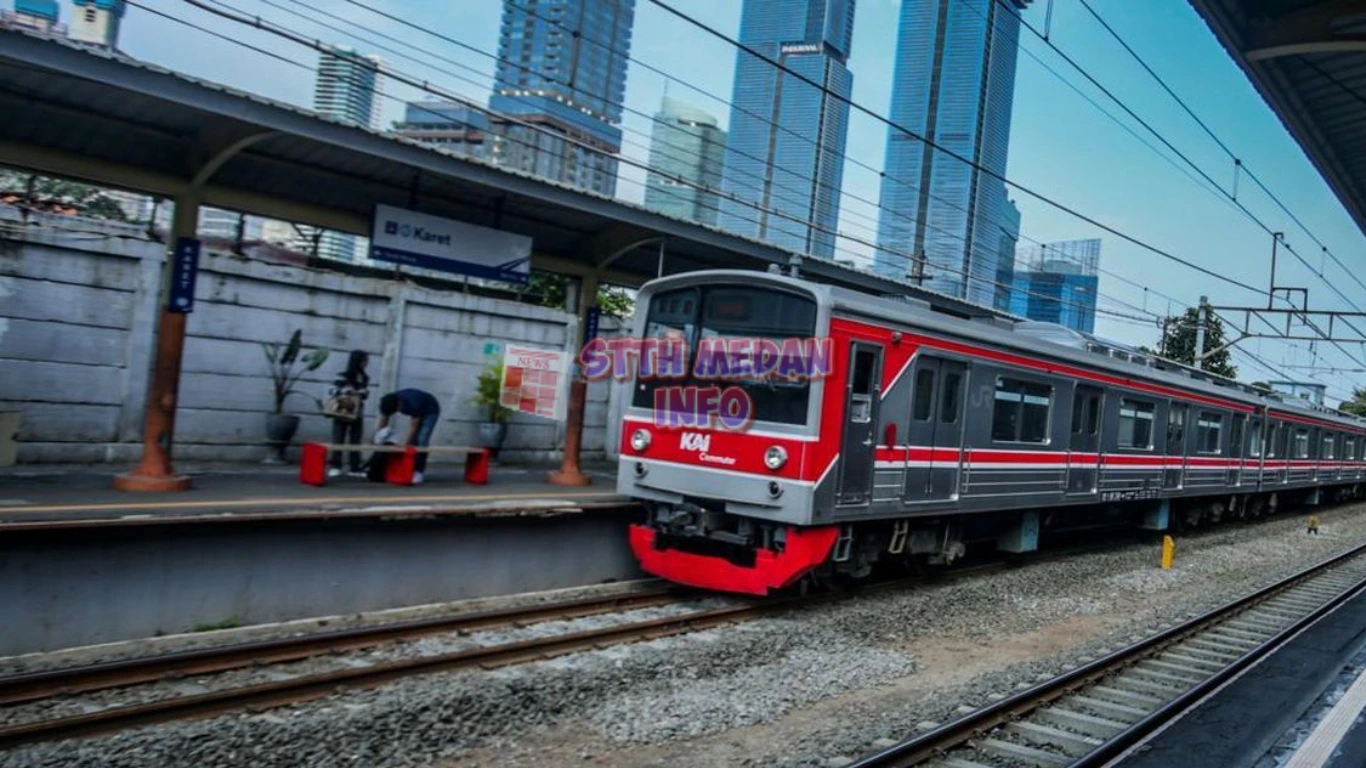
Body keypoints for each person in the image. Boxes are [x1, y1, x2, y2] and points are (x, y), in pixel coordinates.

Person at [376, 388, 441, 484]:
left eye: (397, 410)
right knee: (412, 443)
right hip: (419, 406)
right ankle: (409, 467)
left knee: (421, 440)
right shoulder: (388, 402)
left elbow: (414, 426)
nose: (398, 412)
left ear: (399, 404)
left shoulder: (413, 403)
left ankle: (418, 472)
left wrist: (406, 446)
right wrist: (378, 436)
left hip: (430, 410)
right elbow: (384, 419)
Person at [326, 350, 370, 478]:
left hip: (357, 411)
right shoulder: (342, 376)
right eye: (364, 361)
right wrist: (346, 391)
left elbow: (365, 394)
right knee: (338, 438)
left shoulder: (364, 377)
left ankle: (354, 467)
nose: (366, 364)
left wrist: (363, 392)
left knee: (355, 440)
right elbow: (333, 390)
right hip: (342, 410)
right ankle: (335, 465)